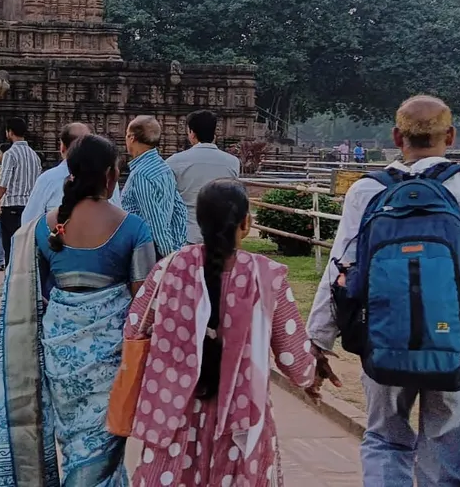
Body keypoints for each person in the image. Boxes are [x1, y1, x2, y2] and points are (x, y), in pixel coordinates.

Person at [307, 95, 460, 487]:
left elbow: (339, 269)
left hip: (383, 336)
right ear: (450, 136)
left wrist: (318, 341)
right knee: (452, 452)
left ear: (396, 136)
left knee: (386, 441)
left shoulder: (367, 190)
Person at [125, 179, 322, 487]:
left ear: (200, 222)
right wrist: (311, 377)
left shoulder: (170, 268)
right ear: (246, 223)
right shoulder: (266, 277)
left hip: (174, 415)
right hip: (240, 423)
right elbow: (293, 357)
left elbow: (135, 326)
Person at [0, 135, 156, 486]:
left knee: (74, 445)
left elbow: (36, 297)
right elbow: (144, 308)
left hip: (59, 358)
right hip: (112, 362)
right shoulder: (134, 229)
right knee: (101, 454)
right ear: (112, 176)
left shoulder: (41, 229)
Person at [21, 121, 123, 227]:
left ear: (62, 148)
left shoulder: (48, 179)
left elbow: (28, 223)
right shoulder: (107, 178)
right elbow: (118, 219)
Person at [167, 109, 241, 243]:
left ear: (191, 133)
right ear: (214, 133)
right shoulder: (232, 162)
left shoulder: (175, 161)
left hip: (186, 232)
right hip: (221, 234)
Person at [121, 115, 189, 257]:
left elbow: (154, 222)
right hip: (163, 246)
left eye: (126, 136)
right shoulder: (164, 168)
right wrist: (177, 247)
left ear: (131, 138)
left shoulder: (141, 174)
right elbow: (180, 210)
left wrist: (168, 257)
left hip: (148, 251)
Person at [0, 116, 42, 272]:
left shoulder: (10, 154)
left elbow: (4, 181)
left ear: (9, 132)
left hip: (12, 206)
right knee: (25, 247)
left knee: (10, 246)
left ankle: (9, 283)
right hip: (29, 207)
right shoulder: (34, 155)